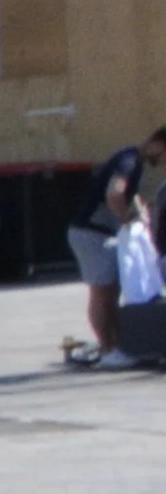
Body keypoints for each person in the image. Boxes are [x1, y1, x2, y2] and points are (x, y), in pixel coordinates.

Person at [67, 123, 166, 369]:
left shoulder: (132, 160)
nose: (162, 162)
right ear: (159, 144)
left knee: (111, 291)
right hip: (91, 233)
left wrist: (138, 212)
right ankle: (108, 348)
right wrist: (126, 221)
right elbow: (114, 193)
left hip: (98, 233)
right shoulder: (130, 161)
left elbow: (125, 194)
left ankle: (115, 346)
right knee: (102, 293)